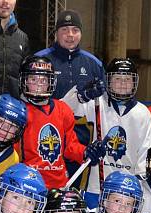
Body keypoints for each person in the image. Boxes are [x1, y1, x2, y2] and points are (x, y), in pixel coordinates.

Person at [35, 10, 106, 188]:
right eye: (65, 30)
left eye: (75, 30)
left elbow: (105, 102)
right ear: (56, 33)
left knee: (74, 188)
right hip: (48, 134)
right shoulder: (40, 59)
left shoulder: (93, 63)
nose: (70, 35)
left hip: (81, 137)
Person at [15, 55, 100, 189]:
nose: (39, 84)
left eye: (44, 80)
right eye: (33, 79)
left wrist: (85, 152)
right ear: (24, 81)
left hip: (59, 184)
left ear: (51, 82)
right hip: (27, 185)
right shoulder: (17, 110)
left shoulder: (62, 109)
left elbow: (69, 147)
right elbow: (12, 155)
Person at [81, 58, 151, 209]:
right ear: (108, 81)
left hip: (126, 190)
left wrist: (138, 184)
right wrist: (81, 95)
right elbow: (65, 110)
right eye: (117, 79)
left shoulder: (142, 113)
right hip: (95, 187)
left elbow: (145, 153)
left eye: (127, 79)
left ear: (135, 83)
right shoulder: (94, 103)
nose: (122, 83)